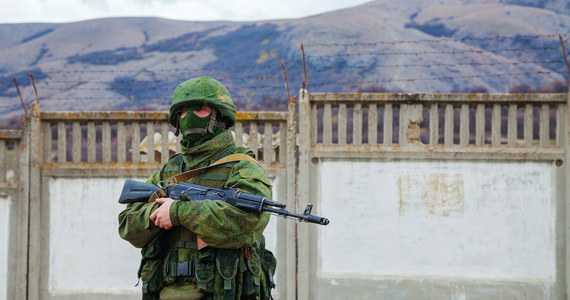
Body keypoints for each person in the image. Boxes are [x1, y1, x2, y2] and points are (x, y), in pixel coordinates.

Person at [118, 76, 276, 300]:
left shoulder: (242, 167)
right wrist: (158, 214)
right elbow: (127, 225)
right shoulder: (171, 171)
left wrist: (178, 212)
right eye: (182, 111)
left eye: (200, 109)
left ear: (219, 115)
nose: (189, 117)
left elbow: (245, 223)